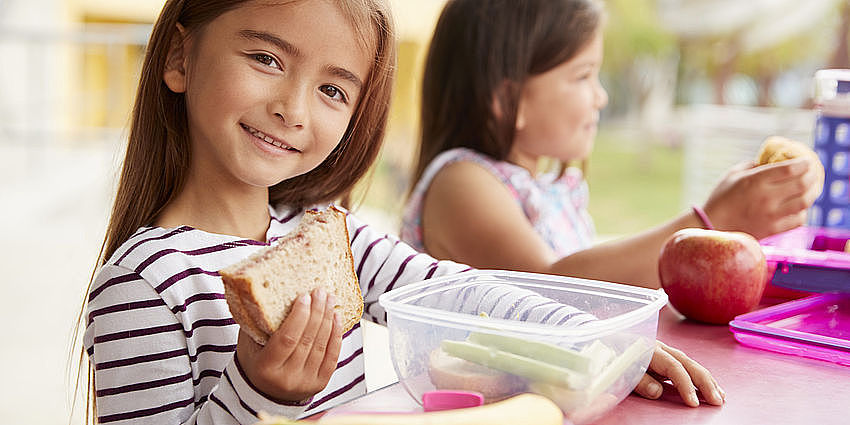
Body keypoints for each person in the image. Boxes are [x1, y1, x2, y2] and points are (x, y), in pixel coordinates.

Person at [74, 0, 723, 423]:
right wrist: (258, 392)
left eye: (332, 88)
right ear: (180, 57)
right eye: (266, 58)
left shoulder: (332, 235)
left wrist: (595, 342)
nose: (295, 109)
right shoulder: (144, 282)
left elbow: (463, 295)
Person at [402, 0, 820, 291]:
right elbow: (552, 288)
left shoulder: (546, 187)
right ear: (506, 99)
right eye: (583, 76)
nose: (601, 97)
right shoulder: (460, 182)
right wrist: (711, 221)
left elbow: (602, 276)